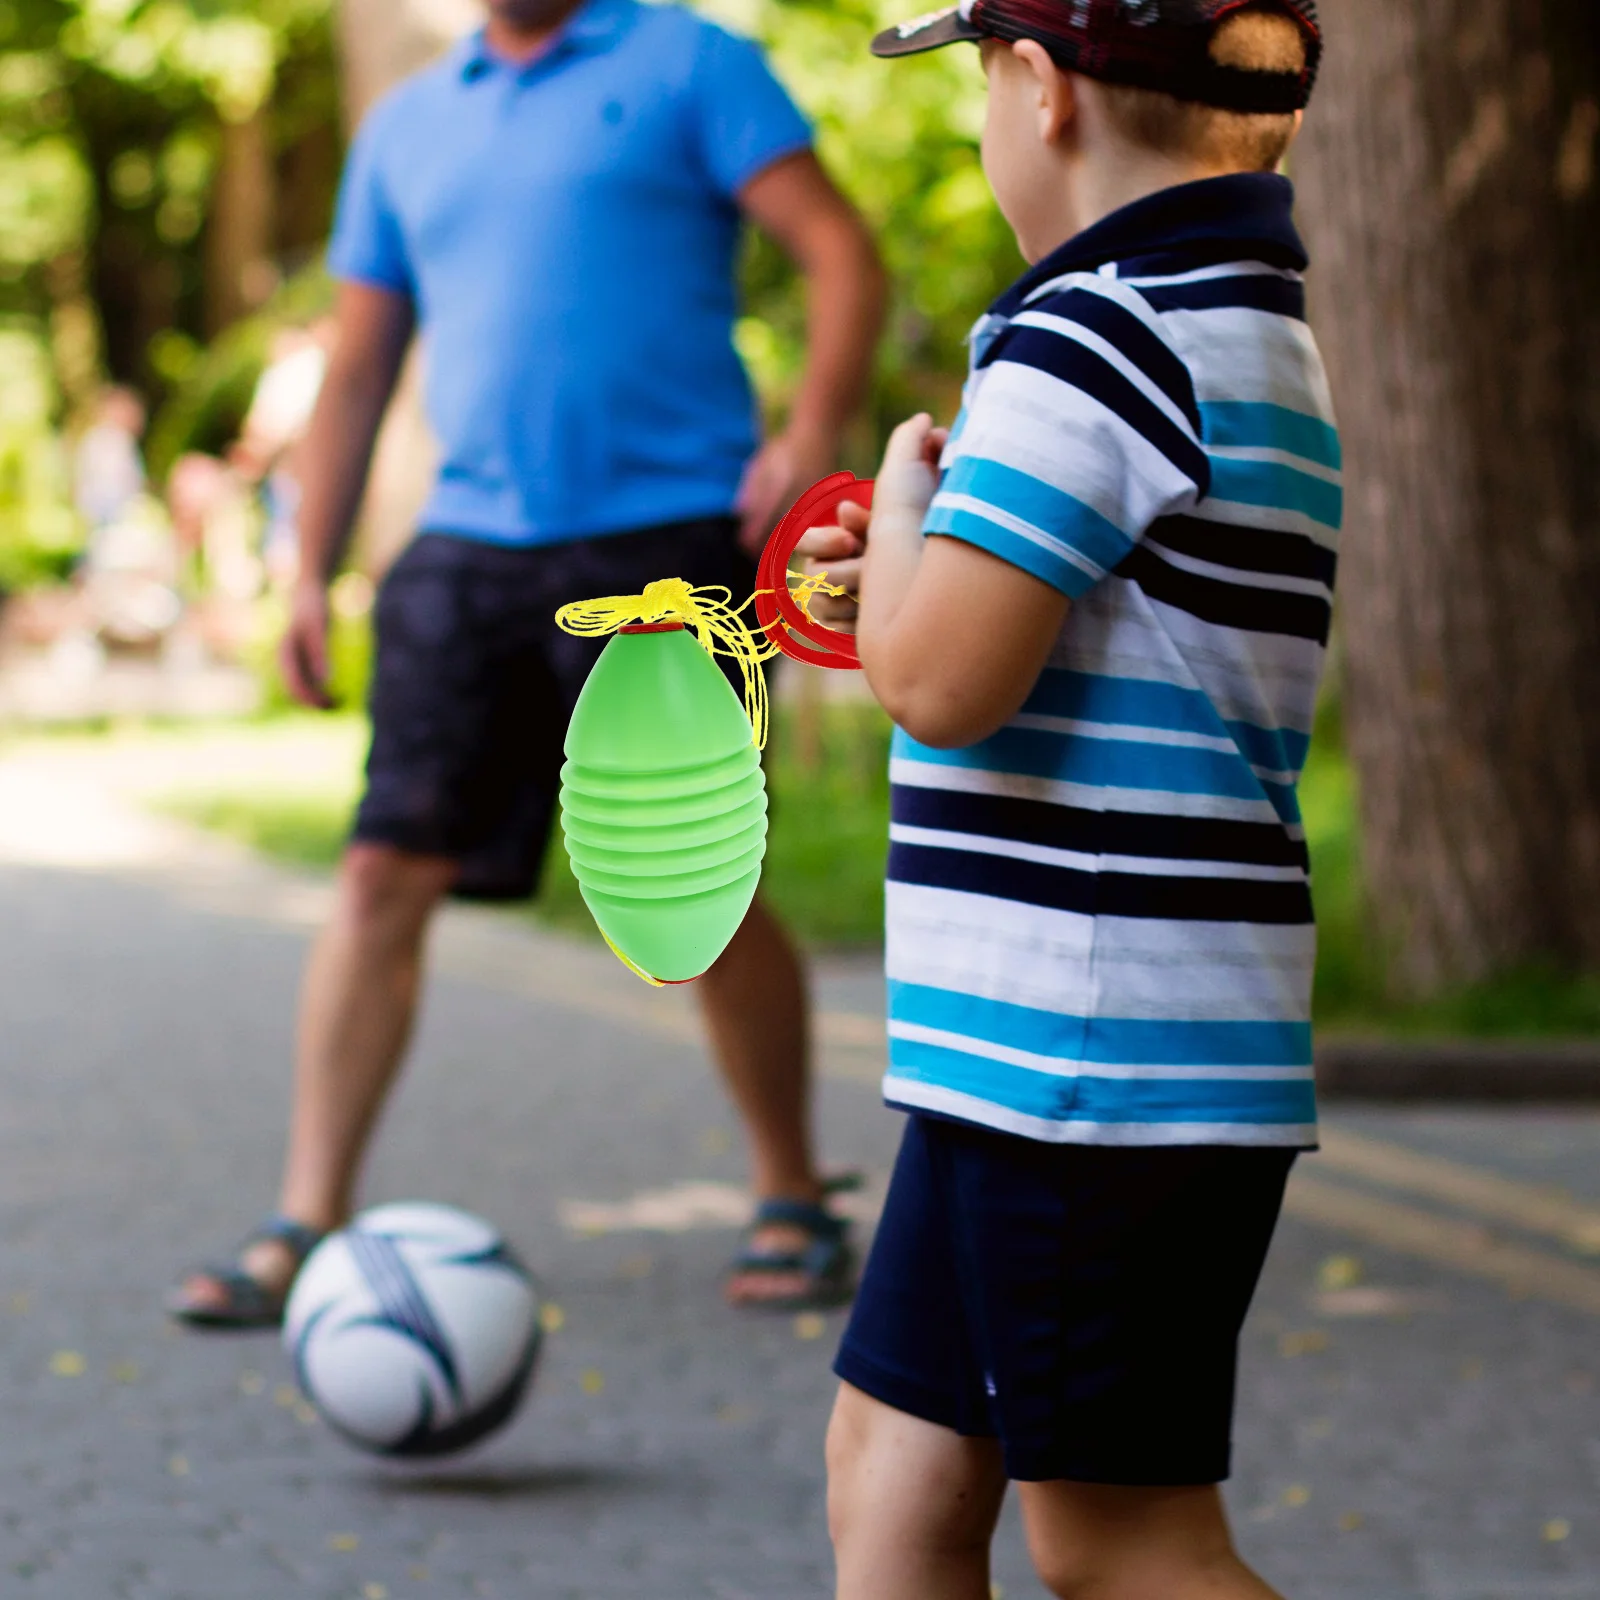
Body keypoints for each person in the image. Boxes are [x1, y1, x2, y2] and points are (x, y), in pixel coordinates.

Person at [168, 0, 886, 1328]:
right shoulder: (409, 123)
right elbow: (361, 361)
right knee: (384, 864)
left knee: (694, 879)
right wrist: (312, 572)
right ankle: (303, 1219)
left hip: (670, 536)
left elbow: (841, 252)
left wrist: (810, 431)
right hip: (471, 542)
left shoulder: (690, 62)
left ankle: (789, 1188)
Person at [800, 3, 1337, 1596]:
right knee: (889, 1474)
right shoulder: (1240, 323)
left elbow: (940, 681)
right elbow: (1038, 622)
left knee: (1122, 1543)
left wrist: (906, 498)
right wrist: (926, 554)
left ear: (1037, 91)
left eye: (975, 79)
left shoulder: (1090, 333)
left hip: (1092, 1066)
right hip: (1043, 1057)